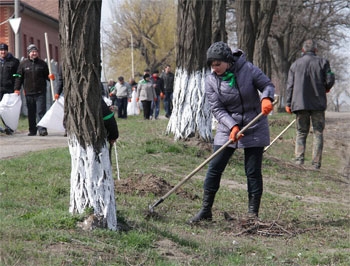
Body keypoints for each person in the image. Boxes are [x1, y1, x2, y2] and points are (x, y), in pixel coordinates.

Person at [189, 41, 275, 223]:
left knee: (252, 171)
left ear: (227, 61)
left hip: (254, 123)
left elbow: (267, 84)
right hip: (228, 126)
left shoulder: (248, 69)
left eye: (218, 64)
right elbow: (217, 108)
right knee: (214, 167)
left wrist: (266, 98)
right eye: (211, 65)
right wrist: (232, 126)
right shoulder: (211, 80)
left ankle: (252, 214)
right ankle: (206, 211)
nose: (215, 68)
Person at [285, 39, 335, 170]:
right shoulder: (323, 62)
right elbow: (330, 79)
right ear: (316, 50)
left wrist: (288, 103)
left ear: (303, 50)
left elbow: (289, 85)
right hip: (318, 104)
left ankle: (298, 160)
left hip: (300, 104)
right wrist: (326, 87)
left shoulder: (295, 65)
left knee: (301, 132)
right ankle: (316, 163)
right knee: (318, 132)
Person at [14, 44, 54, 136]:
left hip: (41, 92)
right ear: (28, 53)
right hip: (28, 92)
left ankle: (42, 129)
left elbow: (47, 75)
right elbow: (18, 77)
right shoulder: (23, 64)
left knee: (41, 111)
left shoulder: (42, 64)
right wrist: (17, 88)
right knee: (31, 112)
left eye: (35, 52)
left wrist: (50, 77)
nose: (34, 53)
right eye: (32, 52)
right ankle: (32, 130)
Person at [0, 43, 20, 135]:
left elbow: (17, 76)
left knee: (7, 110)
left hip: (9, 89)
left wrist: (16, 88)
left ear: (7, 51)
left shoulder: (14, 62)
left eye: (4, 50)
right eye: (1, 50)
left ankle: (8, 127)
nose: (2, 52)